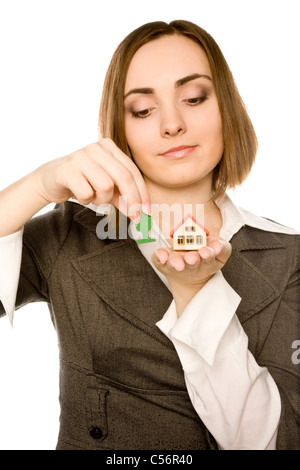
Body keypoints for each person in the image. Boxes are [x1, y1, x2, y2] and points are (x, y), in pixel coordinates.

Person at [0, 20, 299, 451]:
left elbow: (274, 440)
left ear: (226, 107)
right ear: (120, 129)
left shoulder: (288, 254)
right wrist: (39, 185)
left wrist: (197, 292)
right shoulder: (70, 232)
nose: (172, 124)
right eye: (142, 109)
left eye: (194, 98)